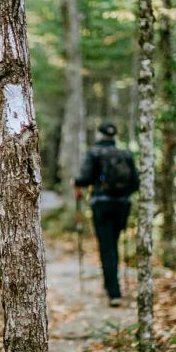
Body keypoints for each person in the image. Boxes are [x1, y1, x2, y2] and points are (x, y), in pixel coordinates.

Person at [74, 122, 139, 307]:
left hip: (101, 205)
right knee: (114, 245)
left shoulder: (94, 153)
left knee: (106, 246)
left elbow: (84, 178)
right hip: (122, 206)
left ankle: (113, 291)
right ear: (115, 135)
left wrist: (76, 182)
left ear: (99, 134)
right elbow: (135, 183)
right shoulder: (125, 154)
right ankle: (113, 286)